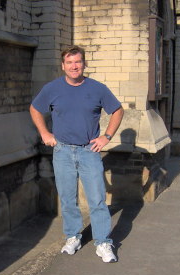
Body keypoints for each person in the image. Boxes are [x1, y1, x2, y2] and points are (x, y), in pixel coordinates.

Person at [30, 45, 124, 263]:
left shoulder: (97, 89)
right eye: (70, 62)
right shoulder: (52, 88)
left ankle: (103, 242)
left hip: (88, 151)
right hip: (62, 151)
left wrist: (106, 137)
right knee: (67, 198)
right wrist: (45, 132)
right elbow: (35, 109)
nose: (74, 66)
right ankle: (73, 236)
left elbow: (117, 111)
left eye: (78, 62)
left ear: (84, 64)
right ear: (63, 66)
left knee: (97, 199)